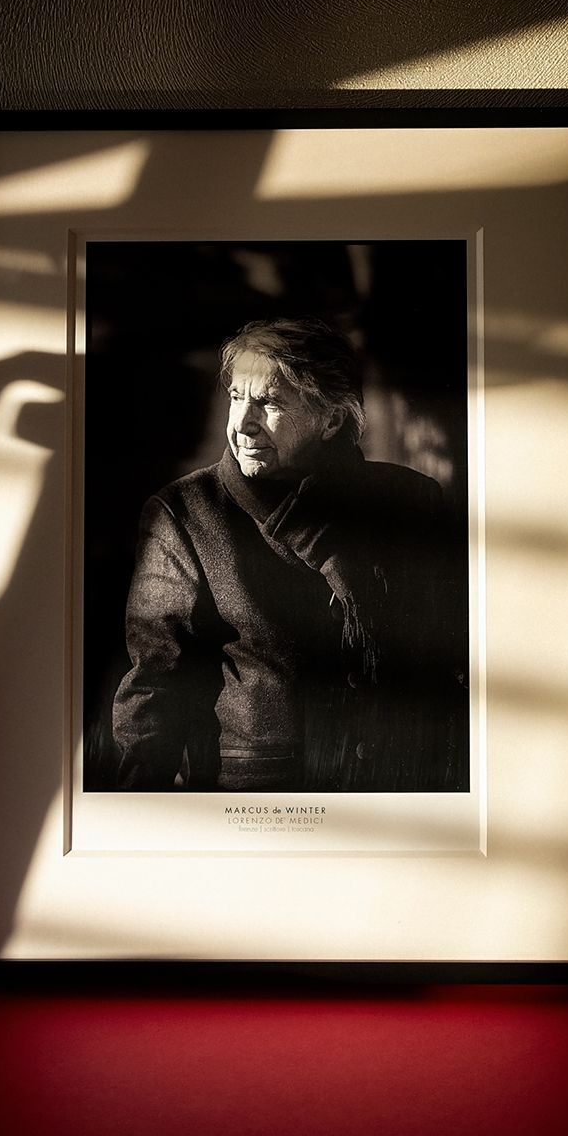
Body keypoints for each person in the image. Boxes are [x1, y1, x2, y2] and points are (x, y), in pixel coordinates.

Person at [112, 316, 464, 792]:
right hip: (261, 798)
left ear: (332, 420)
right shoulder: (186, 512)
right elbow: (157, 684)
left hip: (397, 784)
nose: (243, 423)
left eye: (269, 403)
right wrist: (139, 809)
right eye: (236, 397)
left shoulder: (410, 500)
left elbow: (452, 654)